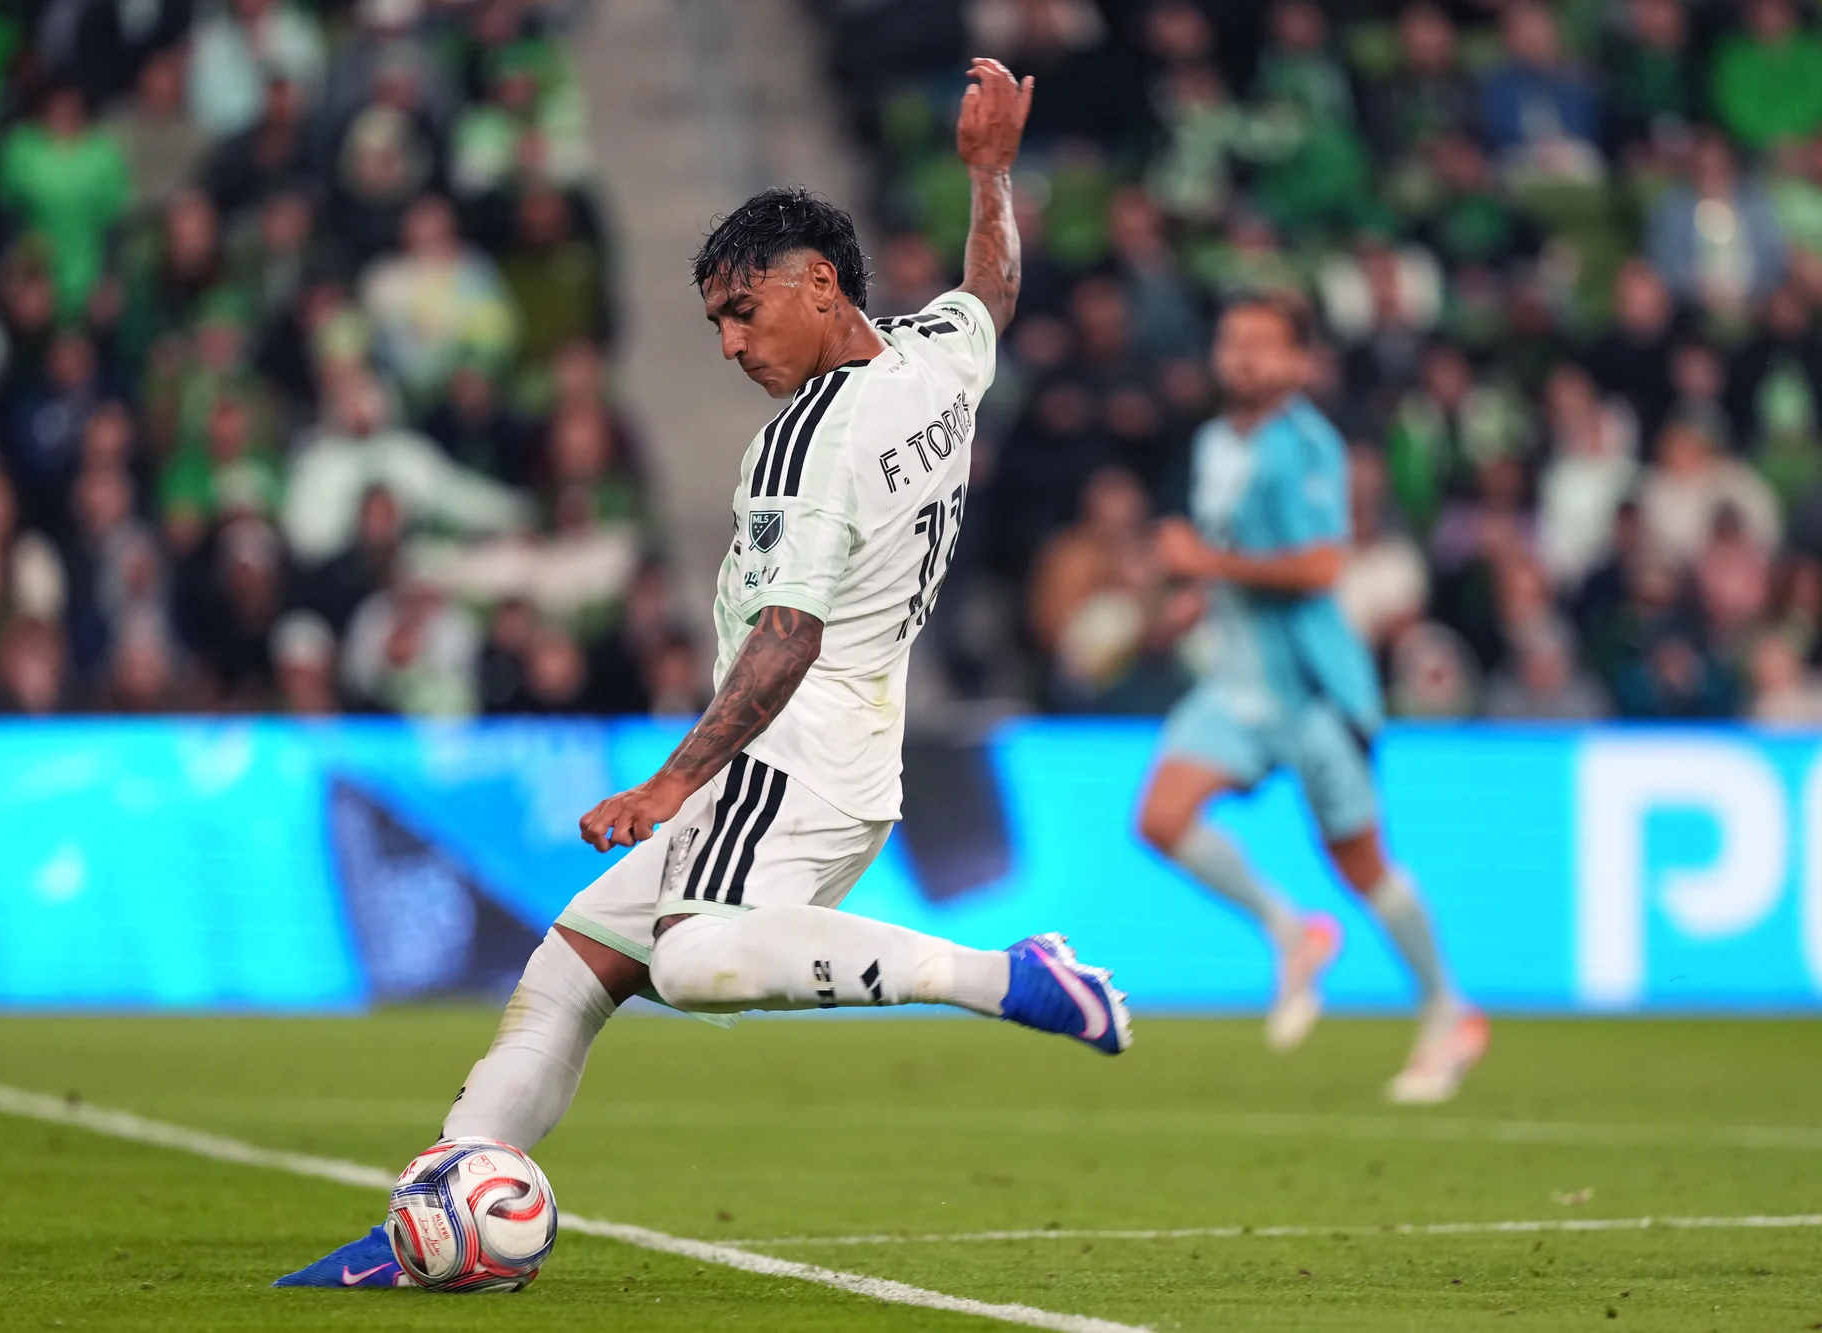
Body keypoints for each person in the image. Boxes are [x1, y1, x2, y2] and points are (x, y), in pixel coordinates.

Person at [277, 60, 1130, 1290]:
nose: (730, 344)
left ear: (818, 284)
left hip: (790, 756)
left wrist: (674, 781)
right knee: (569, 967)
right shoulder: (935, 359)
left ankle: (1005, 975)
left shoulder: (808, 442)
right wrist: (988, 176)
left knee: (688, 961)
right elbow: (987, 289)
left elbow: (784, 637)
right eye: (717, 324)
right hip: (847, 749)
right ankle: (438, 1207)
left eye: (743, 311)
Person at [1137, 296, 1488, 1106]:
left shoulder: (1309, 446)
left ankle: (1449, 1011)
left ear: (1299, 362)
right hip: (1237, 682)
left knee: (1361, 864)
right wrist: (1199, 591)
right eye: (1232, 341)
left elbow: (1322, 567)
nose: (1244, 358)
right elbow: (1230, 550)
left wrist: (1211, 568)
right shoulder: (1215, 442)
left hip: (1315, 691)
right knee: (1160, 818)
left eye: (1264, 346)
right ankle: (1292, 932)